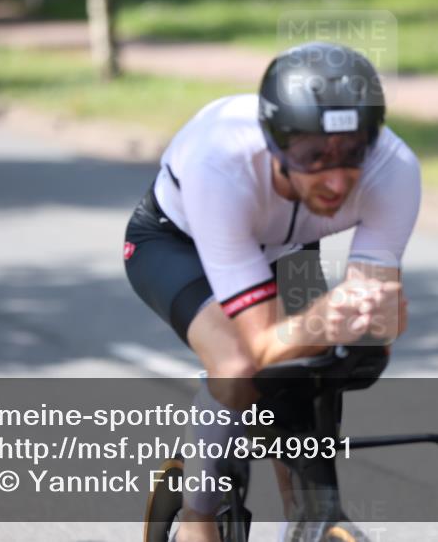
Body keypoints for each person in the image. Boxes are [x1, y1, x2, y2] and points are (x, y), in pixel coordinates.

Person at [124, 41, 421, 541]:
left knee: (318, 371)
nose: (334, 177)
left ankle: (303, 523)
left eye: (353, 153)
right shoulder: (221, 165)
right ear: (275, 143)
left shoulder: (394, 168)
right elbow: (260, 343)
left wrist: (379, 319)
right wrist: (330, 318)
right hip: (180, 244)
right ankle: (198, 516)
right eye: (312, 156)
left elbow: (375, 310)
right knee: (240, 369)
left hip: (290, 247)